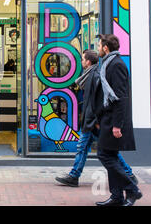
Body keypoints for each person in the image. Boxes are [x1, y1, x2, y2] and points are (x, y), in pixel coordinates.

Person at [55, 49, 137, 187]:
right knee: (99, 149)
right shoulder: (89, 75)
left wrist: (96, 120)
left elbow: (97, 101)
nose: (81, 62)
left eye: (82, 59)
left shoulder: (94, 75)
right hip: (91, 121)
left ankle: (127, 174)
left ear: (88, 62)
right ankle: (127, 173)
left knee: (93, 149)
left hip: (92, 121)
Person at [95, 34, 142, 206]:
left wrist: (117, 125)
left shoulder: (116, 65)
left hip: (114, 120)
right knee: (110, 155)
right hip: (107, 118)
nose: (98, 48)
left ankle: (132, 189)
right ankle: (116, 197)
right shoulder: (108, 64)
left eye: (99, 45)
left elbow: (121, 97)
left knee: (104, 154)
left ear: (106, 48)